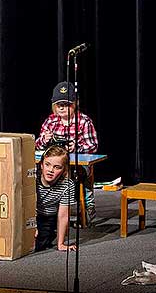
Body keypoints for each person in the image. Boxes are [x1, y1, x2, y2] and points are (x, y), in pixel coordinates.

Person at [35, 81, 98, 226]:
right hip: (55, 164)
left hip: (76, 165)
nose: (62, 107)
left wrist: (77, 146)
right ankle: (46, 211)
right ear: (54, 106)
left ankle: (87, 210)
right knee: (39, 173)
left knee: (77, 176)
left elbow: (93, 146)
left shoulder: (83, 121)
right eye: (59, 104)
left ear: (75, 103)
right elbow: (37, 146)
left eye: (67, 104)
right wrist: (44, 140)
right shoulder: (50, 121)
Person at [35, 145, 76, 252]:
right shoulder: (33, 179)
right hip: (32, 216)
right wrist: (31, 225)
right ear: (41, 165)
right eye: (47, 165)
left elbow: (63, 215)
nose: (50, 170)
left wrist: (61, 244)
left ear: (64, 169)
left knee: (41, 243)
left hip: (49, 218)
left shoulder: (67, 185)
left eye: (57, 167)